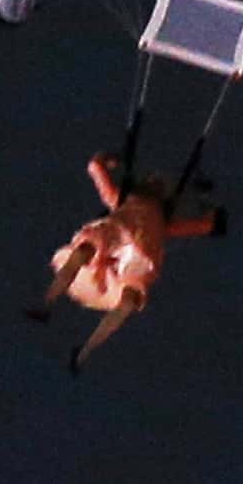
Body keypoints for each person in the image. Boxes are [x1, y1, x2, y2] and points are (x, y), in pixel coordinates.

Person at [27, 154, 222, 369]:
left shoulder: (165, 225)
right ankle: (47, 304)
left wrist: (206, 198)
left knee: (128, 303)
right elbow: (94, 166)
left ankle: (84, 351)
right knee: (83, 252)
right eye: (151, 181)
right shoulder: (119, 199)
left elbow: (207, 225)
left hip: (141, 254)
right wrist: (113, 159)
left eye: (158, 185)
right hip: (116, 232)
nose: (155, 184)